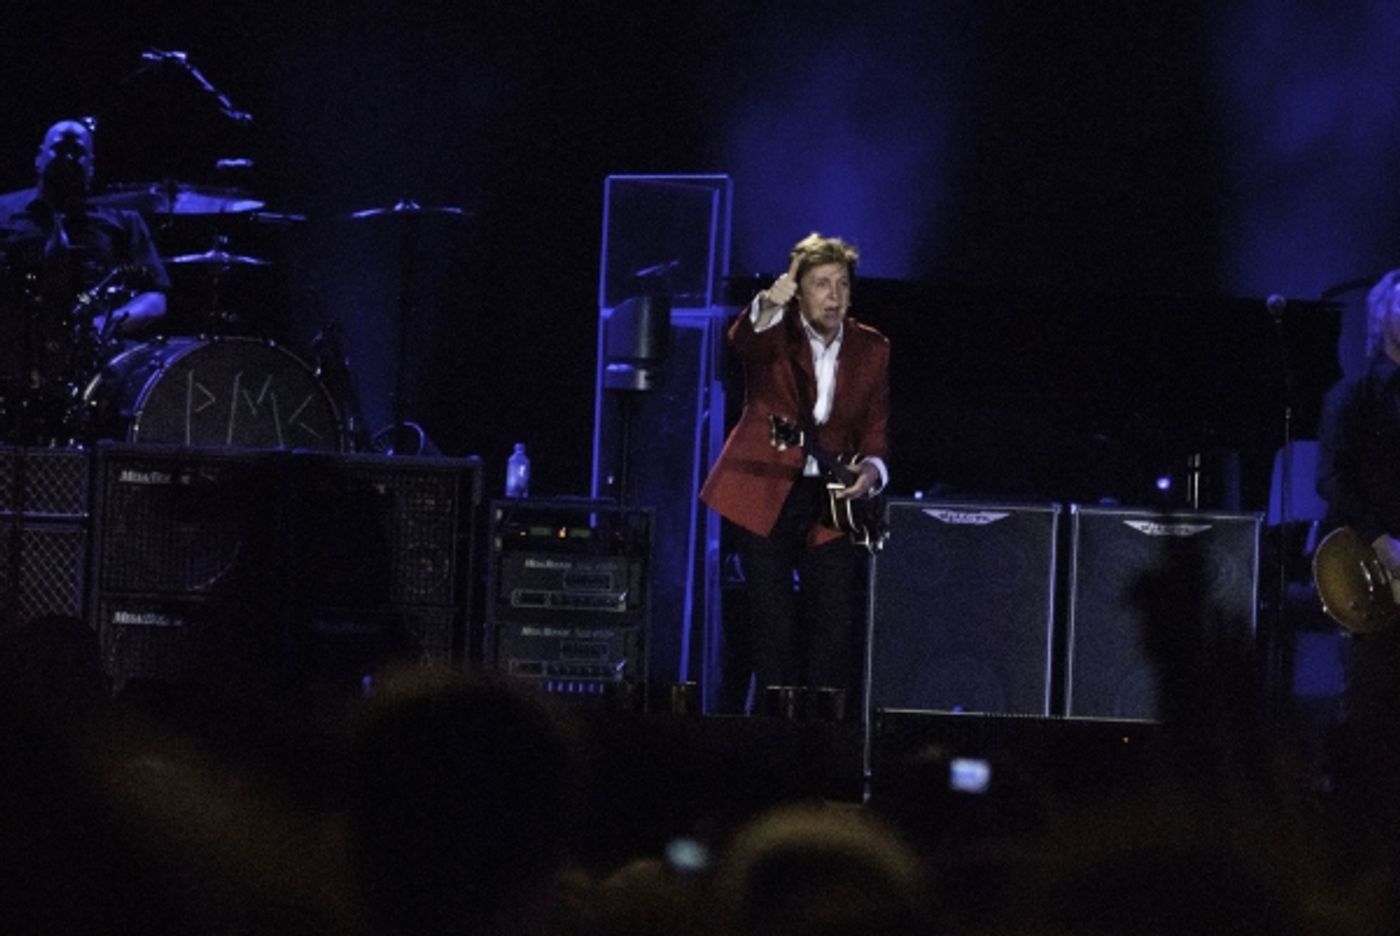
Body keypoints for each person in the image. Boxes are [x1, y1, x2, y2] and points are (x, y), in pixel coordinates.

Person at [700, 232, 889, 715]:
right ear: (799, 290)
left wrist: (872, 468)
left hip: (830, 496)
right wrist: (766, 302)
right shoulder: (775, 335)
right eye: (822, 284)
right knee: (774, 625)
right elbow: (744, 339)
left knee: (834, 623)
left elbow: (874, 426)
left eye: (842, 284)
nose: (834, 295)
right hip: (761, 489)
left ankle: (825, 743)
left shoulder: (871, 348)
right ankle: (771, 743)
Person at [0, 119, 169, 442]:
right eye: (59, 148)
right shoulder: (3, 212)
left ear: (92, 166)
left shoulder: (121, 220)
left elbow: (156, 296)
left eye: (77, 152)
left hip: (92, 360)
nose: (67, 157)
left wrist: (108, 323)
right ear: (38, 157)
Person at [1315, 267, 1400, 861]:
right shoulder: (1352, 397)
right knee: (1370, 699)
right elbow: (1331, 477)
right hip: (1369, 565)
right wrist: (1380, 537)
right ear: (1382, 315)